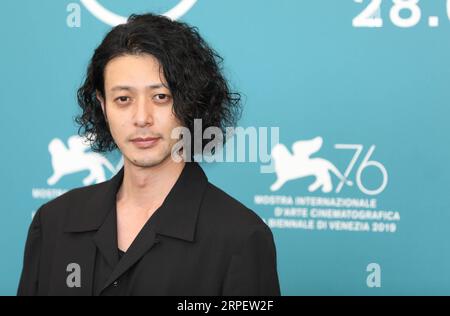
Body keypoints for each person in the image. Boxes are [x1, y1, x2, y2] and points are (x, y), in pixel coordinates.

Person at [17, 13, 280, 296]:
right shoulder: (54, 222)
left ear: (191, 102)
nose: (142, 118)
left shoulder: (239, 237)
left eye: (160, 97)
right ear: (103, 106)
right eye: (123, 99)